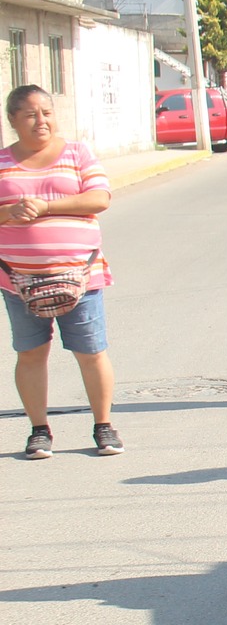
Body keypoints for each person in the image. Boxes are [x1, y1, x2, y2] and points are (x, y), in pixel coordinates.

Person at [1, 85, 121, 458]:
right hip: (18, 280)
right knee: (31, 352)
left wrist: (44, 208)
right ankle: (39, 430)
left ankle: (104, 426)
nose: (42, 121)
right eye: (31, 114)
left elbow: (99, 198)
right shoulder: (3, 161)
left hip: (80, 276)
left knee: (91, 351)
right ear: (13, 121)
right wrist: (10, 213)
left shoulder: (77, 152)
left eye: (47, 113)